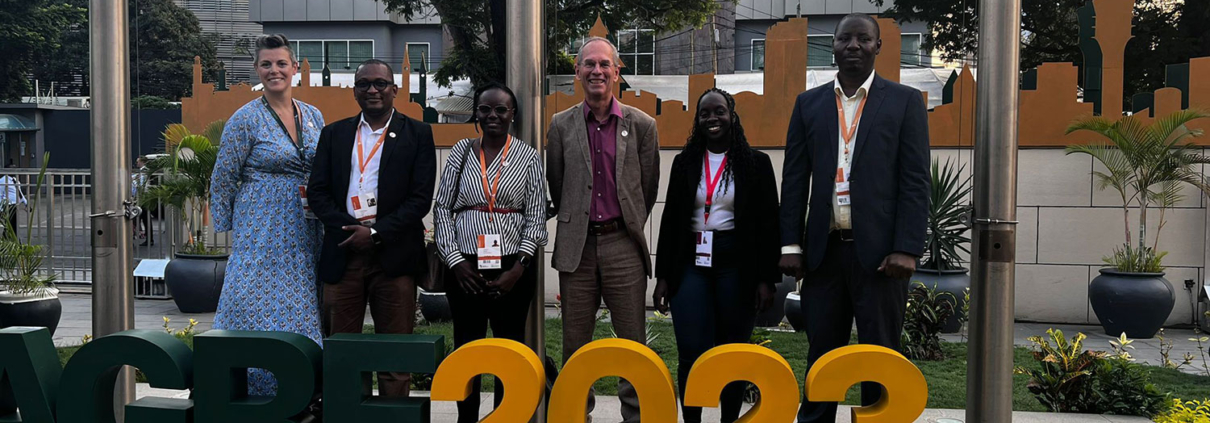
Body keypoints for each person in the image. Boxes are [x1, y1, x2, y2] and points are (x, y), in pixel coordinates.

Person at [779, 13, 930, 423]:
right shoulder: (808, 104)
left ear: (878, 46)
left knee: (879, 356)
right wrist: (790, 245)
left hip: (882, 259)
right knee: (822, 355)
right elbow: (794, 178)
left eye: (864, 39)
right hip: (824, 255)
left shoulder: (904, 102)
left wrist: (906, 248)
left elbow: (916, 182)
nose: (853, 46)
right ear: (833, 45)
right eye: (845, 38)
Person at [307, 58, 436, 398]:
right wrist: (348, 228)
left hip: (394, 257)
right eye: (364, 84)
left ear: (394, 89)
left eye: (380, 83)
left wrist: (376, 233)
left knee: (394, 352)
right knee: (344, 353)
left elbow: (420, 199)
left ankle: (393, 418)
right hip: (343, 252)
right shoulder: (334, 133)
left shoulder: (418, 133)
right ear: (355, 91)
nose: (372, 90)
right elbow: (318, 192)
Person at [546, 36, 660, 422]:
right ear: (577, 72)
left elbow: (646, 189)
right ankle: (578, 415)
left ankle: (636, 417)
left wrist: (622, 223)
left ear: (617, 70)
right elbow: (557, 184)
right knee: (576, 345)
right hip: (576, 249)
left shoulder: (643, 125)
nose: (596, 71)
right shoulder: (560, 126)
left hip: (623, 245)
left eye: (604, 65)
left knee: (632, 344)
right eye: (588, 64)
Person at [652, 88, 779, 423]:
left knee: (731, 353)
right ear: (698, 119)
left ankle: (728, 420)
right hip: (690, 261)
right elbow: (670, 222)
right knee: (691, 350)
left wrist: (767, 279)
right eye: (705, 113)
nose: (712, 119)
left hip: (736, 262)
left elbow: (769, 224)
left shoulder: (756, 163)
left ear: (731, 115)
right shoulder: (684, 162)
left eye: (719, 111)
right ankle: (691, 420)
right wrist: (663, 276)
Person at [209, 34, 326, 396]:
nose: (274, 71)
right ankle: (249, 383)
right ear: (257, 70)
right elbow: (224, 175)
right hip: (260, 223)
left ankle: (300, 382)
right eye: (266, 64)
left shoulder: (313, 115)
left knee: (301, 298)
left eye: (280, 64)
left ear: (294, 68)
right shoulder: (245, 119)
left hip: (306, 223)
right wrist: (227, 227)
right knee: (248, 294)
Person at [433, 82, 548, 423]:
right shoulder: (462, 151)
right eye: (485, 109)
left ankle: (504, 415)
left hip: (513, 266)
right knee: (467, 347)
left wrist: (519, 268)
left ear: (513, 114)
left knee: (507, 348)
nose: (492, 115)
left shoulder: (528, 156)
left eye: (501, 109)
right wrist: (455, 262)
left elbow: (536, 214)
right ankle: (466, 418)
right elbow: (441, 208)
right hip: (464, 267)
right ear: (476, 113)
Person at [132, 157, 154, 246]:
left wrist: (133, 181)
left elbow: (140, 184)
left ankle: (131, 238)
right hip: (144, 197)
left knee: (136, 218)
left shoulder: (144, 171)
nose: (136, 163)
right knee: (144, 219)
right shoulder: (144, 171)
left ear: (142, 162)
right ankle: (149, 239)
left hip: (143, 197)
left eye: (138, 162)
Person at [0, 164, 26, 238]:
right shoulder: (3, 180)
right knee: (9, 225)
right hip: (7, 205)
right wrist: (1, 208)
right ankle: (8, 240)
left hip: (15, 205)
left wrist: (26, 203)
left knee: (13, 224)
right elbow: (0, 194)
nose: (15, 171)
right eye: (13, 169)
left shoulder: (15, 179)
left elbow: (19, 193)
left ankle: (13, 240)